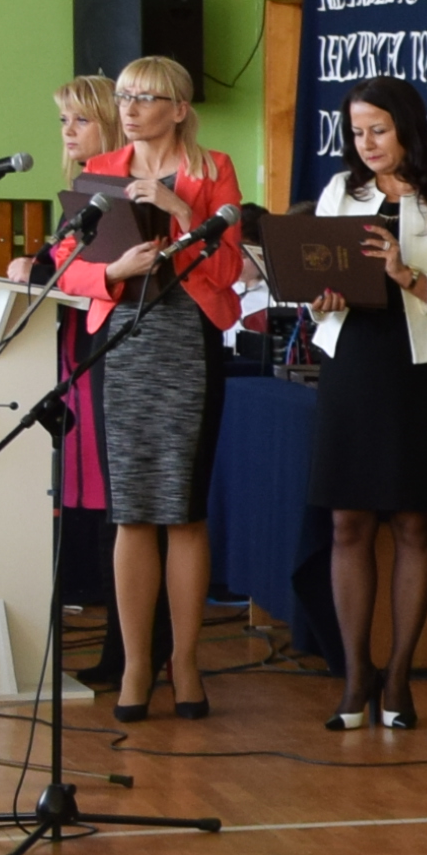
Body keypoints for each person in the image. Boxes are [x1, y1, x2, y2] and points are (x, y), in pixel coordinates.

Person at [75, 58, 248, 718]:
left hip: (187, 339)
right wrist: (114, 270)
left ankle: (187, 660)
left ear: (178, 108)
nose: (129, 108)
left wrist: (179, 209)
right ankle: (136, 665)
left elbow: (228, 269)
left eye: (145, 97)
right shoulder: (102, 170)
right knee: (131, 507)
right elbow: (68, 265)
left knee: (183, 508)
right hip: (123, 340)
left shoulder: (214, 169)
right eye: (123, 96)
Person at [300, 75, 427, 730]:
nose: (366, 143)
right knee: (347, 521)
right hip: (352, 360)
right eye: (356, 131)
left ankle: (398, 676)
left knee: (413, 522)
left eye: (378, 129)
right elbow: (317, 277)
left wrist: (407, 275)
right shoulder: (340, 192)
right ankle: (355, 676)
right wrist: (320, 296)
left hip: (421, 367)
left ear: (407, 127)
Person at [15, 75, 129, 698]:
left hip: (108, 358)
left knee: (119, 510)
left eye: (80, 120)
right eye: (64, 120)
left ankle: (129, 650)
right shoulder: (81, 195)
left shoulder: (117, 195)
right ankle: (119, 648)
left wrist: (39, 269)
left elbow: (91, 274)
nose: (68, 132)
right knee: (101, 511)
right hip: (74, 360)